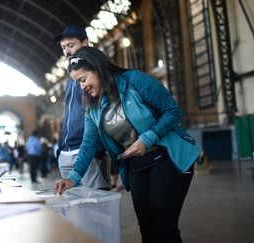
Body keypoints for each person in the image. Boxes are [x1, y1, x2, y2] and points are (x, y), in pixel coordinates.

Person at [54, 47, 201, 243]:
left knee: (164, 225)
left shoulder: (135, 81)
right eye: (78, 83)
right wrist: (73, 178)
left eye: (83, 79)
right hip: (137, 164)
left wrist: (147, 139)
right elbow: (89, 143)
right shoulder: (92, 106)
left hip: (168, 157)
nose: (82, 87)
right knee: (146, 227)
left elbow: (172, 111)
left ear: (98, 68)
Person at [54, 25, 111, 189]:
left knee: (98, 208)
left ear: (85, 43)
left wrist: (99, 149)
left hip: (88, 151)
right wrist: (61, 149)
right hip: (66, 152)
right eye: (64, 47)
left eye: (71, 45)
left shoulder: (98, 71)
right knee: (73, 209)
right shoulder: (71, 77)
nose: (66, 51)